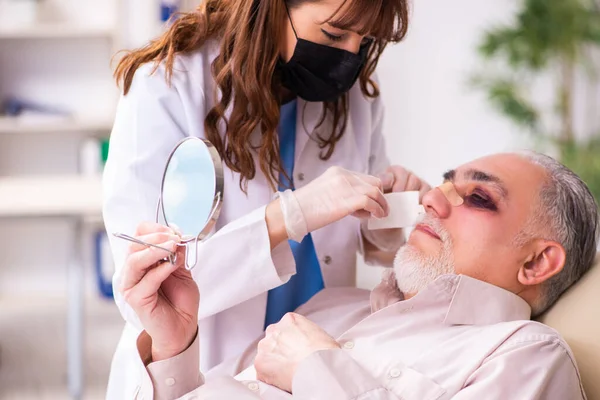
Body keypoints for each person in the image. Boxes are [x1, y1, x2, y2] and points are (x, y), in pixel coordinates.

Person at [102, 0, 430, 396]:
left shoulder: (356, 100)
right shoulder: (167, 85)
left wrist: (387, 209)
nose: (348, 57)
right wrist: (289, 216)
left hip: (309, 364)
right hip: (202, 366)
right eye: (333, 34)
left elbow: (361, 238)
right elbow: (143, 285)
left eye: (365, 42)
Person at [120, 152, 598, 399]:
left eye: (477, 198)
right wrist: (172, 348)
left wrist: (319, 372)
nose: (433, 197)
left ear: (536, 263)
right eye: (446, 182)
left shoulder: (525, 355)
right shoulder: (332, 307)